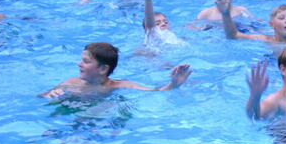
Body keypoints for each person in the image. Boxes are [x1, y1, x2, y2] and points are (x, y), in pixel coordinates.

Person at [40, 42, 191, 97]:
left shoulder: (120, 85)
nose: (79, 64)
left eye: (85, 61)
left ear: (103, 69)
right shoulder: (71, 83)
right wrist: (49, 94)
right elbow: (41, 96)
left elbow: (153, 92)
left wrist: (173, 84)